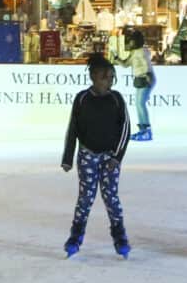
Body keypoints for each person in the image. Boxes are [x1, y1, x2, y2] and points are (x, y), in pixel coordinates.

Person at [61, 54, 133, 257]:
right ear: (93, 77)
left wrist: (116, 158)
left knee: (111, 198)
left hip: (109, 158)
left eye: (112, 77)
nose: (109, 81)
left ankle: (120, 236)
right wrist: (68, 158)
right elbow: (73, 129)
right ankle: (75, 236)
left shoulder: (116, 99)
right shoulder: (82, 99)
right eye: (105, 77)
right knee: (85, 198)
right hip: (87, 156)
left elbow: (125, 130)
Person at [122, 38, 158, 142]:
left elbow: (145, 63)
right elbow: (126, 64)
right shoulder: (135, 52)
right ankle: (143, 130)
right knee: (138, 104)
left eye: (131, 41)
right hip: (141, 79)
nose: (129, 43)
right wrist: (117, 58)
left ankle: (146, 131)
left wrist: (148, 76)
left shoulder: (141, 51)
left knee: (140, 104)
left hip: (145, 79)